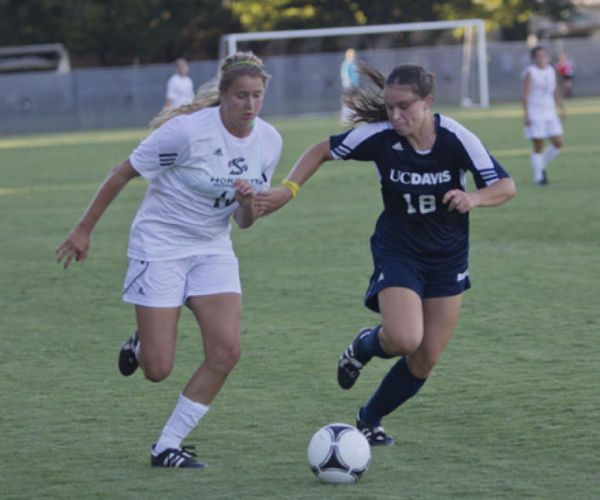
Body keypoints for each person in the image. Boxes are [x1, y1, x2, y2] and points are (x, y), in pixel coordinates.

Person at [256, 64, 515, 446]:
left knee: (425, 358)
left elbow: (505, 186)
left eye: (404, 106)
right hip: (399, 252)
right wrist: (288, 189)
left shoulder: (456, 137)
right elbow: (321, 150)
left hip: (448, 259)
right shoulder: (379, 137)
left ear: (428, 101)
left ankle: (369, 419)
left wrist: (473, 197)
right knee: (405, 338)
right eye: (390, 107)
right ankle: (364, 345)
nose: (395, 116)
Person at [55, 52, 282, 468]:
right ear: (223, 96)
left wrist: (249, 204)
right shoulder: (187, 132)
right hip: (160, 244)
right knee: (157, 368)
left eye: (257, 96)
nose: (249, 106)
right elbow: (123, 171)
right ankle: (142, 341)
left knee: (227, 351)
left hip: (212, 248)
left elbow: (245, 222)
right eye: (240, 97)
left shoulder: (269, 141)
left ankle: (167, 445)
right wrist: (84, 229)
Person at [522, 46, 566, 185]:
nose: (542, 59)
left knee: (558, 142)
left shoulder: (551, 70)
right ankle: (538, 177)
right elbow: (526, 95)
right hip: (535, 113)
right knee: (539, 144)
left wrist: (561, 107)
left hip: (550, 112)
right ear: (533, 58)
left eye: (544, 56)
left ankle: (541, 165)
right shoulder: (531, 72)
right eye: (538, 56)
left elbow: (554, 90)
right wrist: (527, 115)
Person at [340, 48, 359, 124]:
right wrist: (348, 85)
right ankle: (345, 118)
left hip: (354, 86)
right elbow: (345, 75)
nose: (354, 56)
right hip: (349, 86)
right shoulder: (346, 64)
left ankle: (355, 116)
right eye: (353, 54)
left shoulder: (353, 64)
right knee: (347, 102)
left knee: (356, 101)